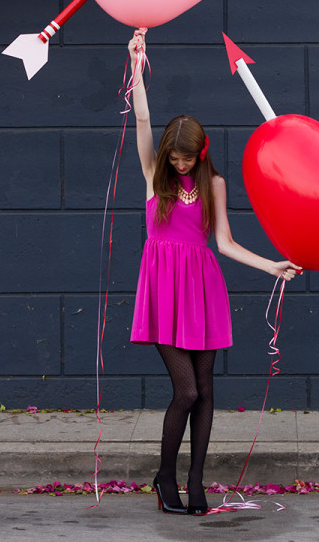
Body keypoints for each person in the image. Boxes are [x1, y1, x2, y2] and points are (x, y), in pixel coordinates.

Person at [127, 30, 301, 516]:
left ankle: (197, 482)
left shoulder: (214, 185)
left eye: (186, 157)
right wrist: (137, 67)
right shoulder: (153, 177)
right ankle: (165, 477)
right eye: (173, 156)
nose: (179, 163)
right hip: (163, 289)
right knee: (185, 390)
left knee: (206, 392)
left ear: (200, 153)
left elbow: (223, 243)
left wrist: (272, 265)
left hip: (202, 289)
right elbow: (142, 118)